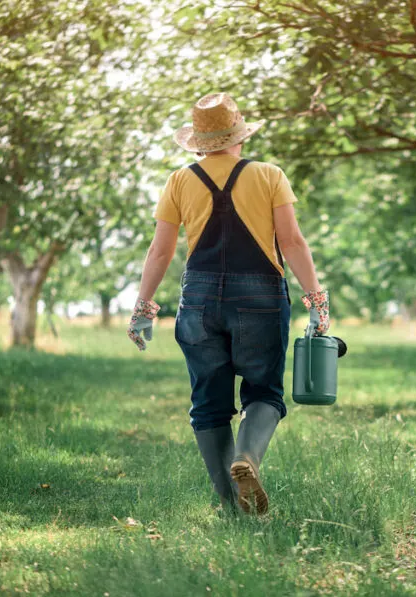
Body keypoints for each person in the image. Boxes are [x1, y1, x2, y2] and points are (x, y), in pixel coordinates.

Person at [126, 93, 330, 515]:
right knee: (264, 391)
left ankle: (231, 504)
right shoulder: (270, 175)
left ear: (200, 143)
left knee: (208, 402)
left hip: (199, 298)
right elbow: (291, 242)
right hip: (260, 295)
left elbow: (160, 251)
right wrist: (317, 302)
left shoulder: (180, 180)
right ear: (238, 136)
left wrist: (143, 308)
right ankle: (247, 458)